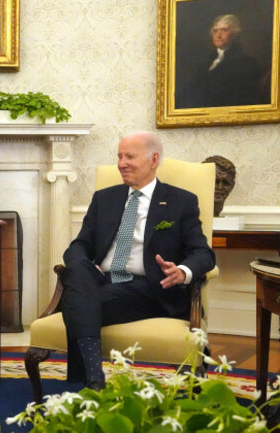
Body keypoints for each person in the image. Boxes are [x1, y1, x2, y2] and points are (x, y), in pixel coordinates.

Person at [60, 131, 216, 390]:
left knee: (74, 301)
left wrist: (183, 271)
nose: (121, 163)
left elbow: (203, 253)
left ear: (154, 159)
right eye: (119, 156)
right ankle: (95, 376)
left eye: (129, 156)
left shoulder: (181, 201)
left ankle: (91, 379)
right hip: (102, 280)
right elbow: (80, 245)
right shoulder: (105, 198)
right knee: (76, 268)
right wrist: (83, 265)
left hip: (149, 287)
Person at [176, 14, 266, 108]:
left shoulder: (247, 63)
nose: (218, 35)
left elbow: (241, 98)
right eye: (215, 31)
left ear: (235, 34)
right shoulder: (206, 63)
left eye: (224, 30)